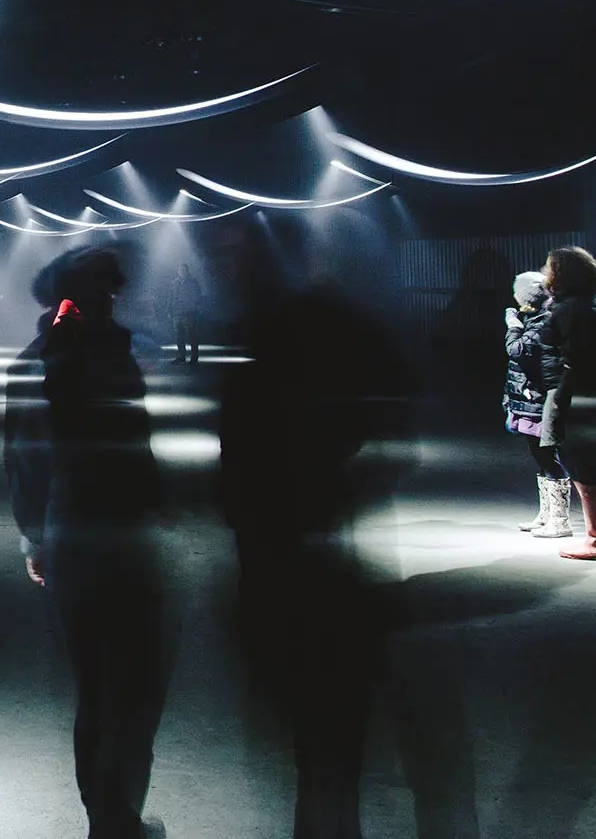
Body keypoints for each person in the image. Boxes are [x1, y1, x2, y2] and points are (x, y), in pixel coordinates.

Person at [217, 225, 409, 839]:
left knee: (314, 713)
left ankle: (324, 820)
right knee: (324, 720)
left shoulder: (278, 336)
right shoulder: (302, 328)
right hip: (306, 538)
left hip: (293, 542)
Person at [5, 247, 171, 839]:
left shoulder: (39, 359)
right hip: (105, 531)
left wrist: (34, 535)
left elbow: (24, 456)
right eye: (101, 291)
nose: (108, 300)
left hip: (76, 531)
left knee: (103, 684)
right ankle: (112, 817)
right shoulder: (92, 356)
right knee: (126, 684)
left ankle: (109, 816)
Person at [536, 247, 596, 562]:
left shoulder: (574, 308)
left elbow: (564, 350)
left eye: (550, 269)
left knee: (581, 462)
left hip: (578, 390)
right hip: (594, 387)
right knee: (586, 461)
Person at [502, 271, 570, 538]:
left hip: (539, 399)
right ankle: (546, 514)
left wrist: (513, 326)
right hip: (527, 397)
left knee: (549, 456)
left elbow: (518, 350)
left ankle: (560, 520)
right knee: (539, 457)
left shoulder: (543, 320)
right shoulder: (532, 317)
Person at [170, 264, 203, 364]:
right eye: (180, 270)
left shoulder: (193, 282)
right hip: (177, 313)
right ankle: (181, 356)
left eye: (183, 270)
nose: (181, 272)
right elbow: (171, 297)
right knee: (179, 336)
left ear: (187, 271)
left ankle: (194, 356)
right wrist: (170, 310)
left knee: (191, 335)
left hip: (189, 313)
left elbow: (198, 296)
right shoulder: (175, 283)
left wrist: (195, 307)